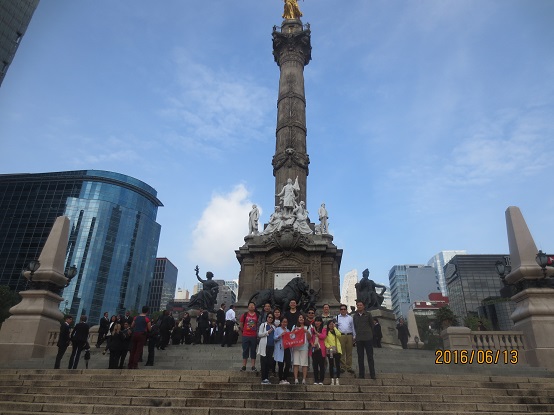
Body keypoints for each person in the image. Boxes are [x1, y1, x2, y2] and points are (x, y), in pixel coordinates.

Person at [353, 301, 376, 379]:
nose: (359, 306)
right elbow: (355, 326)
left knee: (370, 357)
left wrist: (371, 335)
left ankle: (372, 374)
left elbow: (372, 325)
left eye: (360, 305)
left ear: (363, 306)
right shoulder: (355, 316)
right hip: (359, 338)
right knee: (360, 357)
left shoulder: (368, 314)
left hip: (368, 338)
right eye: (358, 305)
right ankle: (361, 374)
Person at [292, 314, 311, 385]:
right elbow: (291, 336)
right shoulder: (294, 326)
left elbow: (309, 338)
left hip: (304, 346)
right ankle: (296, 379)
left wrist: (306, 331)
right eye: (300, 317)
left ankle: (304, 379)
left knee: (304, 363)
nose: (301, 319)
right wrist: (293, 331)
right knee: (296, 363)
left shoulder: (308, 326)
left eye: (302, 318)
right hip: (296, 347)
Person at [240, 302, 259, 372]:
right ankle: (244, 366)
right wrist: (244, 331)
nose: (251, 306)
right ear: (248, 307)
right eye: (250, 305)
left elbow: (258, 324)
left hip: (253, 335)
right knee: (245, 350)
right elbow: (241, 324)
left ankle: (253, 366)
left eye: (253, 305)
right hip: (246, 335)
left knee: (253, 351)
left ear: (254, 307)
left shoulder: (257, 315)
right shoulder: (244, 315)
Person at [336, 304, 355, 374]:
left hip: (349, 335)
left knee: (349, 352)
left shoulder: (350, 318)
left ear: (346, 310)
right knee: (341, 352)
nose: (343, 310)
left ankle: (349, 367)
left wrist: (354, 336)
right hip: (341, 335)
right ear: (340, 310)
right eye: (342, 309)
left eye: (344, 309)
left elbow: (353, 327)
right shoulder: (337, 317)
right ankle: (343, 367)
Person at [258, 313, 276, 384]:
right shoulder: (263, 325)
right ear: (267, 317)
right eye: (269, 317)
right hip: (264, 346)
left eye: (272, 318)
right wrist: (267, 332)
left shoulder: (274, 327)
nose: (270, 319)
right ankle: (263, 378)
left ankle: (266, 378)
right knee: (264, 362)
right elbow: (259, 334)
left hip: (271, 346)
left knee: (269, 362)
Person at [310, 316, 327, 385]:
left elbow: (323, 336)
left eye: (318, 321)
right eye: (316, 321)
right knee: (315, 365)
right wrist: (312, 344)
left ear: (321, 322)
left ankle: (321, 380)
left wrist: (316, 333)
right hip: (314, 349)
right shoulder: (312, 330)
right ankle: (316, 379)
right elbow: (310, 338)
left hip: (321, 349)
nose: (317, 322)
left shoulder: (323, 329)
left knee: (321, 365)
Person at [274, 318, 291, 384]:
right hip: (280, 348)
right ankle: (281, 379)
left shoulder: (288, 330)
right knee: (281, 364)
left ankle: (285, 378)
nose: (284, 323)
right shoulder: (277, 329)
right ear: (281, 323)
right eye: (283, 322)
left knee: (288, 363)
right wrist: (280, 335)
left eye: (286, 322)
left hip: (287, 348)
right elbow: (274, 338)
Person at [325, 319, 342, 385]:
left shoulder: (336, 331)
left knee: (338, 365)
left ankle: (337, 378)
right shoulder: (327, 332)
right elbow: (325, 341)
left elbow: (339, 335)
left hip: (337, 350)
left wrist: (335, 328)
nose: (331, 325)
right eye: (330, 324)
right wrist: (329, 346)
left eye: (332, 324)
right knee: (331, 364)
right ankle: (332, 378)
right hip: (330, 350)